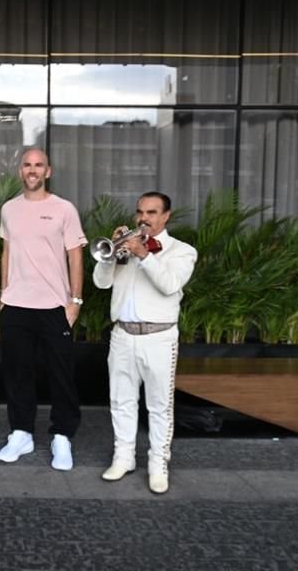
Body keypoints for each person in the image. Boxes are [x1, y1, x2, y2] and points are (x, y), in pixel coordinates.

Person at [93, 191, 197, 494]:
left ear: (166, 216)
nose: (143, 218)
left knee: (159, 406)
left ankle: (157, 464)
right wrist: (111, 255)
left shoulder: (182, 251)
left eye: (152, 213)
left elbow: (169, 285)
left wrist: (143, 255)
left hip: (159, 337)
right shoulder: (126, 247)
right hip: (122, 334)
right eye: (140, 212)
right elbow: (101, 283)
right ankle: (123, 457)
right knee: (121, 401)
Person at [0, 148, 87, 471]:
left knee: (61, 375)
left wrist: (74, 301)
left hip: (54, 306)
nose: (32, 170)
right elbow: (7, 251)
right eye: (27, 165)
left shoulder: (64, 209)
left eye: (38, 165)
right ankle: (21, 433)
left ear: (48, 171)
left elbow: (75, 256)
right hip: (16, 305)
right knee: (18, 373)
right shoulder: (9, 209)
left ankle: (62, 436)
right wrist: (3, 295)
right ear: (20, 171)